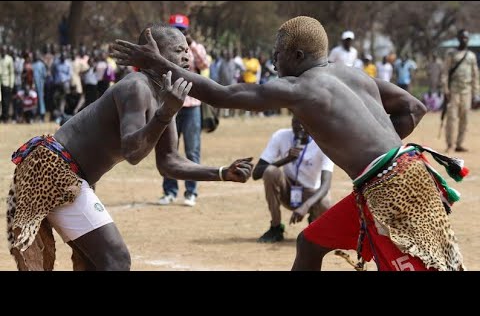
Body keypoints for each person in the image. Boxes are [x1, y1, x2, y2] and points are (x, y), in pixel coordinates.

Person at [112, 15, 468, 271]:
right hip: (396, 177)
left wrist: (158, 63)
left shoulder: (300, 88)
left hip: (393, 189)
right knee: (310, 243)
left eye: (278, 53)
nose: (274, 60)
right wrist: (377, 147)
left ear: (297, 56)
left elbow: (221, 94)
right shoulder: (353, 75)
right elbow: (414, 107)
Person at [7, 23, 253, 271]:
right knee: (116, 260)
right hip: (54, 172)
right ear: (153, 52)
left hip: (66, 174)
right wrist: (165, 113)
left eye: (188, 50)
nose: (187, 56)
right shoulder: (136, 86)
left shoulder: (163, 95)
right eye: (179, 50)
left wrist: (222, 172)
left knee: (97, 263)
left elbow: (169, 162)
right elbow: (133, 152)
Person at [253, 115, 333, 243]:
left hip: (310, 194)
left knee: (325, 202)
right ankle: (276, 227)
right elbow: (256, 174)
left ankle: (314, 225)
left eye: (303, 123)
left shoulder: (323, 143)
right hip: (288, 190)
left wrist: (305, 206)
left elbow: (326, 185)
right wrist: (286, 160)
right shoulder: (280, 136)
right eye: (295, 122)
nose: (299, 127)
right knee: (270, 171)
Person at [159, 14, 210, 207]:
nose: (178, 34)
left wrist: (192, 46)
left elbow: (204, 65)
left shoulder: (195, 49)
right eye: (175, 30)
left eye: (182, 30)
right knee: (168, 151)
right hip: (170, 106)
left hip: (191, 106)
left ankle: (191, 192)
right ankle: (169, 191)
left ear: (187, 32)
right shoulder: (164, 50)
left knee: (192, 151)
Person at [441, 29, 480, 153]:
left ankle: (459, 143)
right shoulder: (451, 54)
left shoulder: (471, 56)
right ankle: (450, 144)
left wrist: (476, 93)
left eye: (466, 37)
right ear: (458, 38)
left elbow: (475, 76)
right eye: (462, 37)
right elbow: (445, 73)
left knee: (465, 119)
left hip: (467, 92)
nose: (464, 39)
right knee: (452, 118)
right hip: (454, 91)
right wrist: (445, 89)